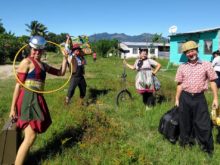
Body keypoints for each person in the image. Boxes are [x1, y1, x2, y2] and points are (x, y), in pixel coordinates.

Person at [9, 35, 68, 165]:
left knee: (27, 136)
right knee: (31, 137)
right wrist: (12, 108)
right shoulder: (27, 62)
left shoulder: (42, 65)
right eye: (34, 50)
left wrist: (65, 58)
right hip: (27, 99)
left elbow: (61, 73)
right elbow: (18, 85)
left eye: (40, 50)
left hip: (37, 98)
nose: (36, 53)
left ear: (43, 51)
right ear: (30, 48)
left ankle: (15, 158)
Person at [175, 40, 218, 154]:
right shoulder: (182, 67)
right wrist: (177, 99)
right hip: (185, 97)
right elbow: (179, 84)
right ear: (185, 54)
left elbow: (213, 81)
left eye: (192, 50)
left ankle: (207, 149)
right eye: (187, 52)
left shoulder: (206, 65)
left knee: (203, 124)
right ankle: (185, 144)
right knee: (185, 123)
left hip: (199, 98)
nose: (190, 54)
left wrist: (215, 98)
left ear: (197, 51)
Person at [64, 34, 87, 105]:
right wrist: (68, 39)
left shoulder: (81, 57)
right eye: (77, 50)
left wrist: (83, 61)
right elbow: (67, 47)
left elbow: (84, 63)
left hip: (81, 76)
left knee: (83, 88)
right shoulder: (70, 56)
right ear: (73, 50)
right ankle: (67, 102)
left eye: (79, 50)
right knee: (71, 90)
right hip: (74, 76)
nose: (79, 51)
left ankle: (81, 101)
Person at [211, 50, 220, 144]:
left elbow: (211, 66)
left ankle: (215, 120)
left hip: (217, 75)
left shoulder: (216, 58)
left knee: (215, 96)